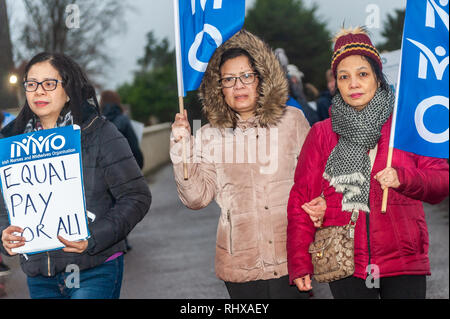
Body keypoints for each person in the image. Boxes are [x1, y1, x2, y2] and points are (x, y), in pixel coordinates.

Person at [287, 27, 449, 299]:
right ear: (335, 83)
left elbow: (441, 182)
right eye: (343, 76)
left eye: (362, 74)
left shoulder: (406, 126)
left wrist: (404, 178)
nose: (353, 83)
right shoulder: (322, 134)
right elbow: (301, 201)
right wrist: (299, 262)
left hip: (403, 259)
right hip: (346, 261)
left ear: (377, 77)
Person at [170, 30, 325, 299]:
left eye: (246, 76)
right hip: (240, 265)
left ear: (261, 79)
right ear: (219, 88)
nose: (238, 86)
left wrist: (322, 203)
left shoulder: (293, 120)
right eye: (229, 79)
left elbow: (318, 179)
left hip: (293, 257)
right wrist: (182, 148)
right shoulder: (208, 135)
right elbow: (196, 199)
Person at [0, 52, 152, 299]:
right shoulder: (11, 144)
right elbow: (3, 206)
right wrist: (4, 235)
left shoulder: (99, 133)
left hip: (95, 267)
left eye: (49, 84)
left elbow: (136, 197)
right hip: (40, 276)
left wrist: (93, 237)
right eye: (31, 84)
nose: (39, 91)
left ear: (69, 90)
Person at [100, 90, 144, 169]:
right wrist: (139, 164)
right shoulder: (123, 120)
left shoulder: (98, 122)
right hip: (125, 167)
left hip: (107, 170)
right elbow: (134, 146)